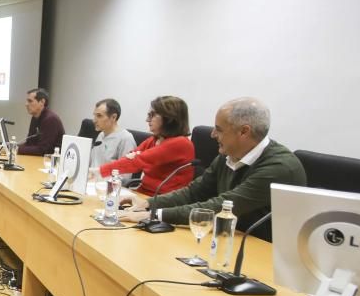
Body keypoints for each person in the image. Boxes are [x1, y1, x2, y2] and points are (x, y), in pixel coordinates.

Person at [121, 97, 307, 238]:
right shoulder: (228, 155)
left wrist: (154, 214)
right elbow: (195, 192)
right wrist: (148, 203)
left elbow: (223, 206)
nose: (212, 134)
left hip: (262, 252)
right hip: (227, 237)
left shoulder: (279, 167)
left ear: (244, 131)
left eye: (219, 129)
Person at [100, 96, 194, 196]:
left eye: (152, 115)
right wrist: (135, 157)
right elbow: (128, 158)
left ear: (169, 118)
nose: (147, 120)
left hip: (163, 201)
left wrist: (99, 171)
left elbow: (136, 161)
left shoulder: (181, 144)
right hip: (144, 194)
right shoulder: (155, 139)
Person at [88, 99, 137, 179]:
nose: (94, 120)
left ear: (113, 117)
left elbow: (125, 176)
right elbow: (92, 163)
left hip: (106, 187)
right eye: (94, 115)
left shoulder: (126, 139)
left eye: (99, 116)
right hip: (91, 182)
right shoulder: (101, 135)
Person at [17, 88, 64, 156]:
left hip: (51, 162)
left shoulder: (50, 119)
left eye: (30, 101)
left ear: (42, 102)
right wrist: (11, 147)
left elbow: (43, 150)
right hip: (40, 159)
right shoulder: (35, 117)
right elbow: (30, 143)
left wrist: (16, 149)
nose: (26, 104)